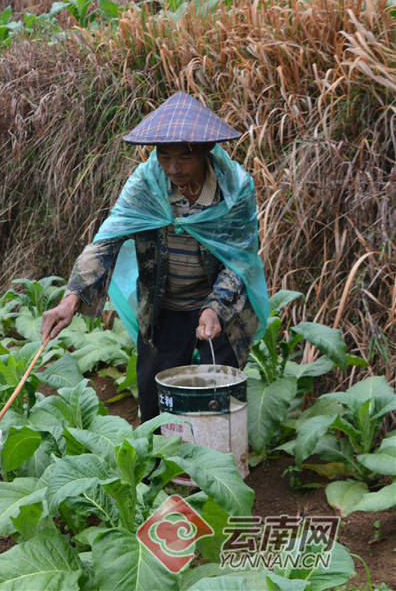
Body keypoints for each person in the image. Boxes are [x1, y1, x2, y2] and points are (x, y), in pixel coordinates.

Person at [41, 92, 269, 424]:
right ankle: (157, 472)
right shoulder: (147, 185)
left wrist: (214, 308)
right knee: (156, 402)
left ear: (207, 150)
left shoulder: (234, 189)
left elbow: (240, 259)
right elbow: (107, 241)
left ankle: (216, 467)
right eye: (164, 156)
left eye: (184, 158)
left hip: (223, 308)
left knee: (217, 401)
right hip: (164, 306)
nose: (173, 168)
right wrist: (71, 298)